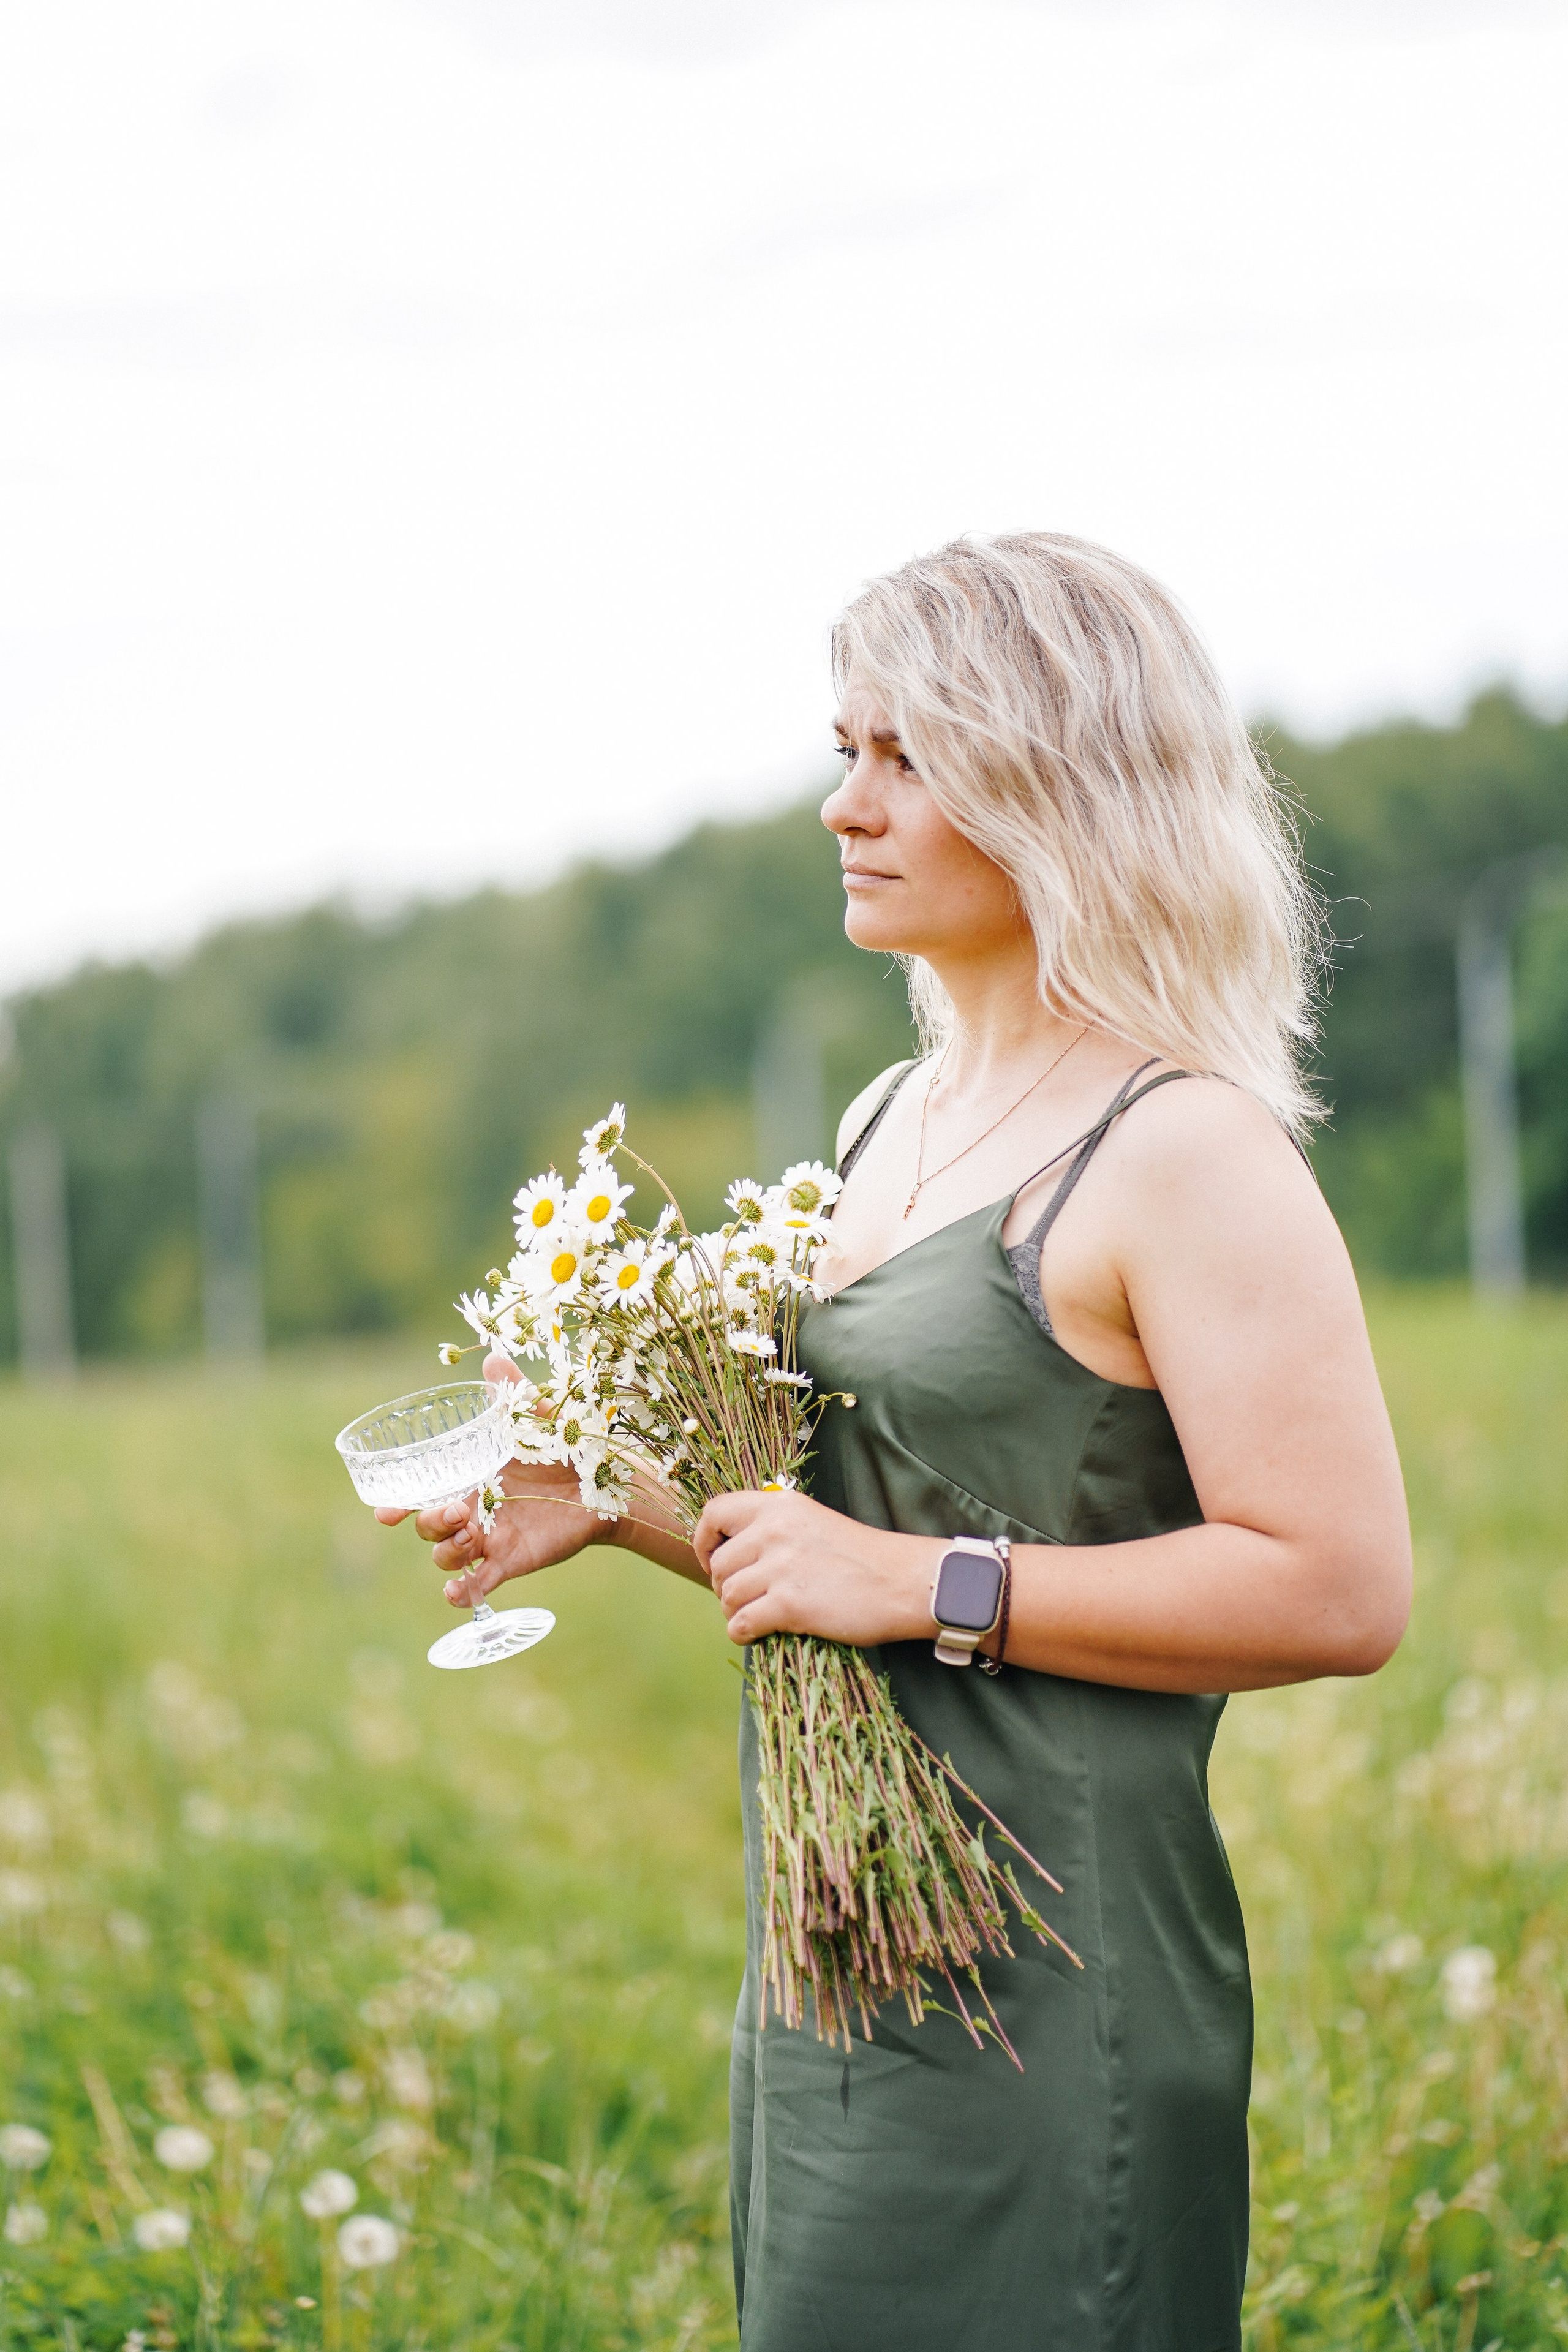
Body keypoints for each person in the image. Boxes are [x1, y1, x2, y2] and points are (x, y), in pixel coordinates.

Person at [381, 532, 1412, 2351]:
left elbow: (1338, 1589)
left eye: (906, 756)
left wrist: (909, 1580)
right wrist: (618, 1508)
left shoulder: (1186, 1153)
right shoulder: (884, 1115)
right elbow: (850, 1547)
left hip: (1057, 1972)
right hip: (843, 1953)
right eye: (843, 748)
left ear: (1063, 784)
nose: (847, 805)